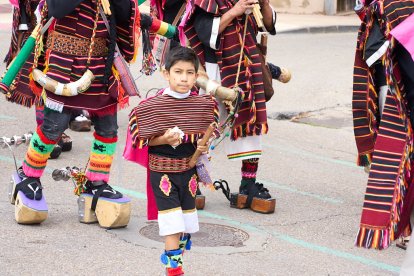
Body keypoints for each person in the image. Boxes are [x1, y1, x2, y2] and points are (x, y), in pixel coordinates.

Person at [8, 0, 140, 222]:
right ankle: (28, 175)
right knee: (53, 128)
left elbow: (123, 14)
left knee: (108, 129)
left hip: (101, 64)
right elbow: (58, 9)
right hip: (63, 63)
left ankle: (96, 182)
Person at [125, 46, 218, 275]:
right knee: (172, 224)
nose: (184, 78)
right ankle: (174, 271)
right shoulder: (150, 108)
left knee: (185, 225)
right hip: (162, 174)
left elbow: (203, 138)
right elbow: (143, 140)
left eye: (189, 73)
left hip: (189, 173)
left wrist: (203, 146)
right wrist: (163, 138)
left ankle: (177, 264)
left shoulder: (203, 106)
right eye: (178, 72)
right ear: (166, 73)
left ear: (196, 76)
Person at [181, 0, 277, 211]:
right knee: (204, 126)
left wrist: (265, 4)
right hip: (216, 69)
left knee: (251, 125)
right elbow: (205, 34)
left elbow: (268, 24)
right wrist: (235, 11)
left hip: (247, 67)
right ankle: (192, 181)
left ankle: (248, 185)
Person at [352, 0, 414, 253]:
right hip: (391, 83)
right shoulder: (390, 6)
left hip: (397, 80)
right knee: (398, 160)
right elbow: (373, 49)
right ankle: (404, 227)